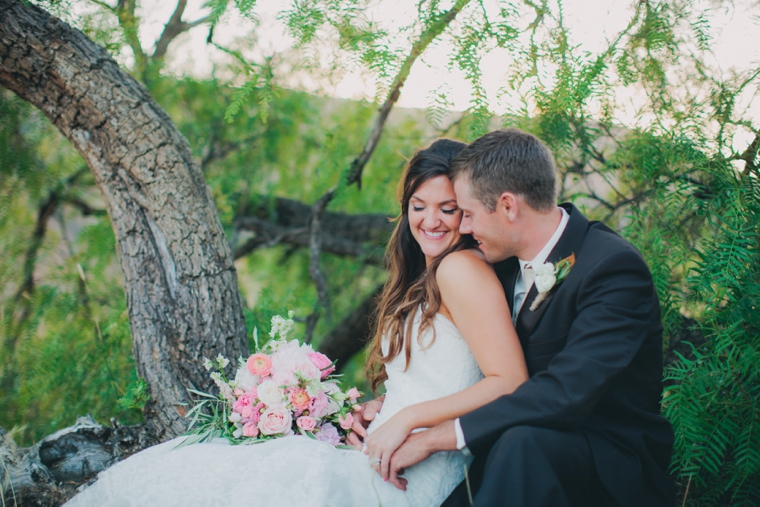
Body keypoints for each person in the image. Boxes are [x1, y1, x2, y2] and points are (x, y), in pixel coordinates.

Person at [63, 138, 529, 507]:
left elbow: (508, 381)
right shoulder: (426, 273)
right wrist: (380, 406)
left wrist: (404, 417)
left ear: (467, 212)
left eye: (447, 209)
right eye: (418, 206)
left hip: (412, 468)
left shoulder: (460, 268)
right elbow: (446, 371)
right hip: (386, 447)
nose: (430, 221)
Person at [358, 128, 675, 506]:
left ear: (508, 206)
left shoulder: (612, 269)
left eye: (467, 213)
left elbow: (565, 393)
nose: (465, 228)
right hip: (513, 440)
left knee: (520, 444)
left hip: (600, 456)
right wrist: (392, 407)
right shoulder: (498, 262)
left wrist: (430, 436)